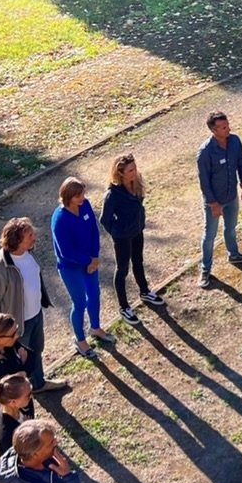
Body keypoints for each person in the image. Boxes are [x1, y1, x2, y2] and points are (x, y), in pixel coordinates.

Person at [0, 218, 67, 394]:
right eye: (30, 235)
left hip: (35, 314)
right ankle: (20, 395)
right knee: (18, 362)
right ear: (17, 240)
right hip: (18, 326)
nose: (35, 236)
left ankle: (37, 384)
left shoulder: (26, 252)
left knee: (36, 353)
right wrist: (6, 330)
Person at [51, 177, 115, 360]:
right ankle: (80, 340)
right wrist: (87, 261)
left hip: (90, 262)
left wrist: (94, 256)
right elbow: (65, 251)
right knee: (79, 303)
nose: (83, 198)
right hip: (71, 268)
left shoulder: (85, 206)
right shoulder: (60, 218)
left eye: (83, 194)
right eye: (78, 196)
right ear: (68, 197)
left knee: (94, 295)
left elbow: (94, 231)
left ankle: (95, 328)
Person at [100, 153, 165, 323]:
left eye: (135, 168)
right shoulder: (113, 194)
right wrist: (117, 232)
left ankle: (144, 291)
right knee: (122, 270)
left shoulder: (136, 182)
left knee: (138, 261)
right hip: (122, 236)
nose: (134, 172)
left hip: (137, 231)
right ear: (120, 172)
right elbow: (104, 220)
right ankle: (124, 307)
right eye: (130, 170)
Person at [196, 111, 242, 288]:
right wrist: (214, 204)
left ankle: (234, 254)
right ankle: (205, 269)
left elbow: (241, 163)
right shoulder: (205, 152)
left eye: (228, 125)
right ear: (213, 130)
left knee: (230, 228)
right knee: (210, 236)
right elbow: (204, 181)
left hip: (231, 196)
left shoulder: (235, 141)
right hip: (214, 200)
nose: (228, 129)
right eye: (223, 127)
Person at [0, 374, 33, 456]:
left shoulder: (25, 404)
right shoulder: (6, 437)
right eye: (29, 394)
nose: (32, 396)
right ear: (13, 402)